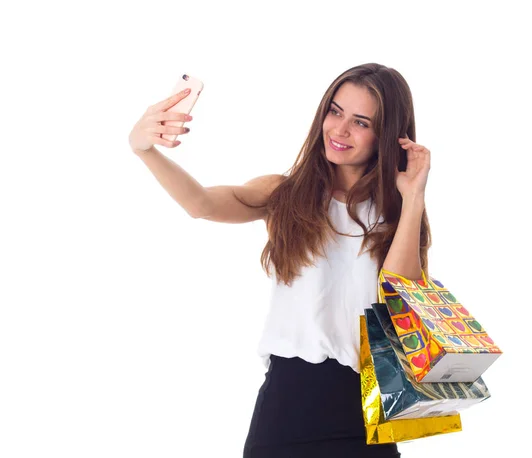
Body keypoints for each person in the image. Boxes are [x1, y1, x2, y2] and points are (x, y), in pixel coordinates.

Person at [128, 63, 432, 458]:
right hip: (287, 408)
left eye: (360, 122)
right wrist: (144, 149)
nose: (339, 130)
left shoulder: (398, 214)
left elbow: (401, 300)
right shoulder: (284, 194)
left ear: (387, 135)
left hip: (367, 410)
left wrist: (413, 199)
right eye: (335, 111)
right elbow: (200, 204)